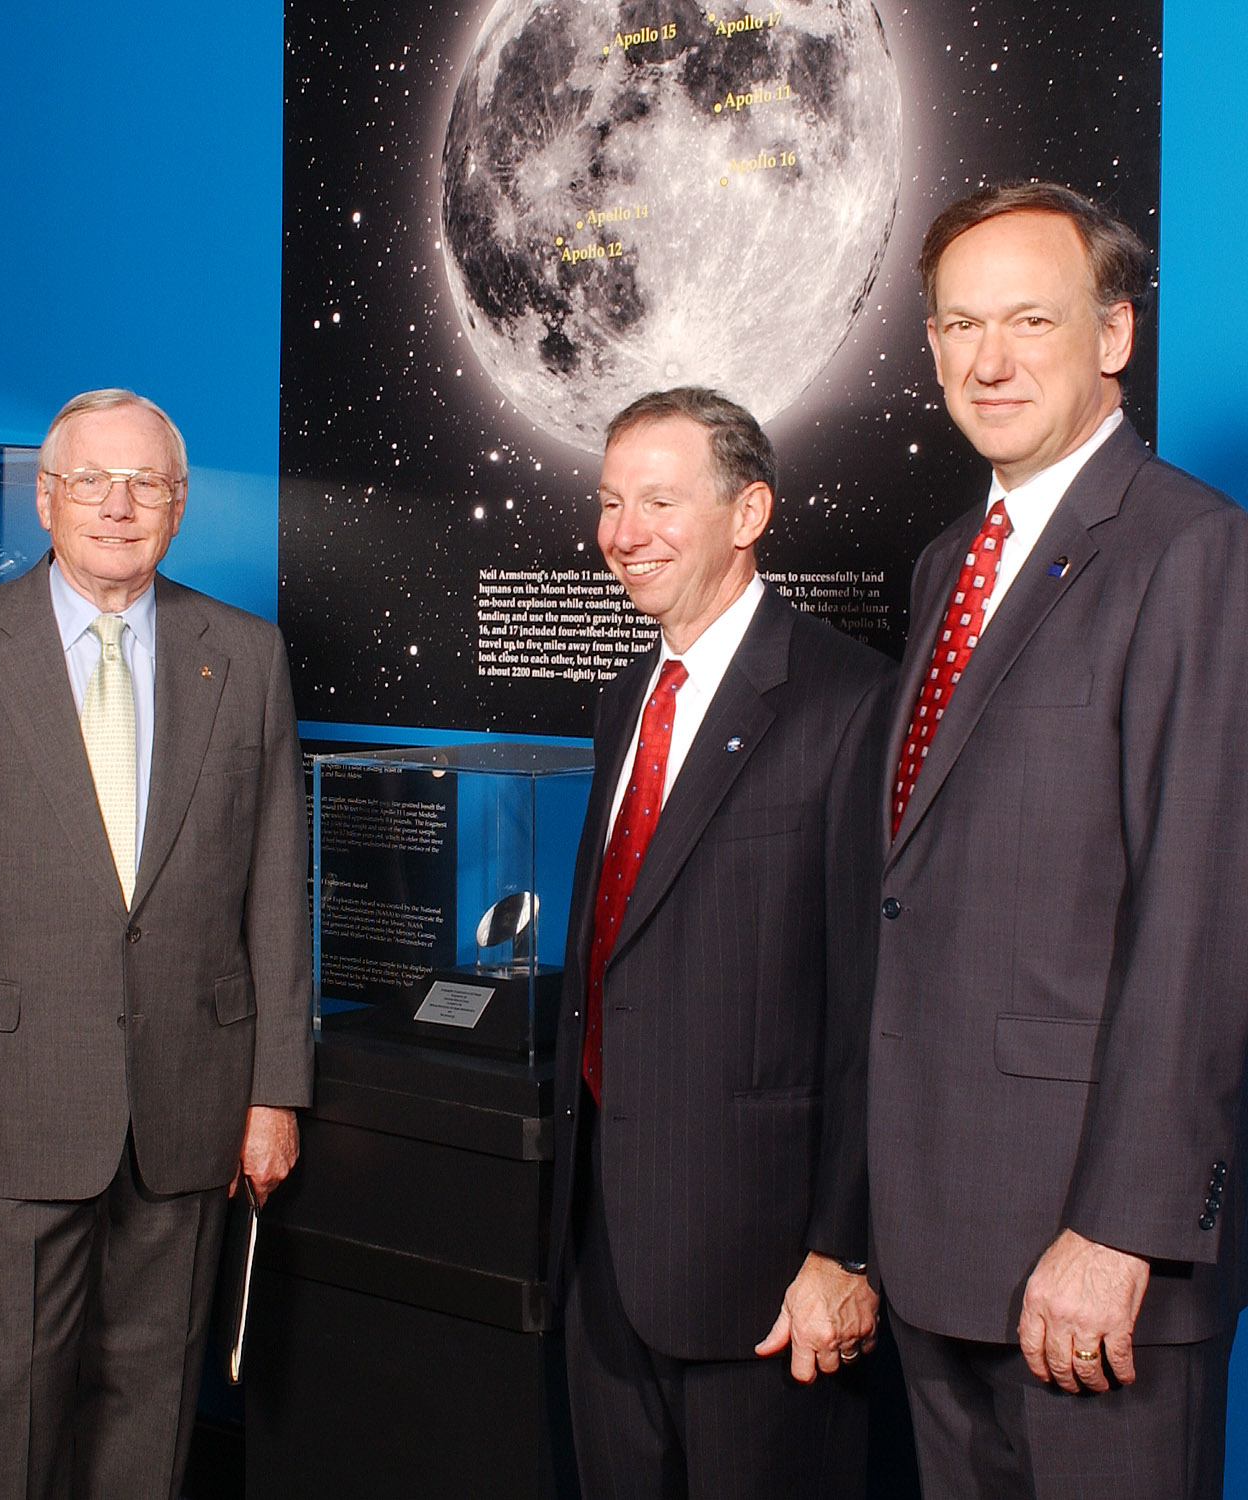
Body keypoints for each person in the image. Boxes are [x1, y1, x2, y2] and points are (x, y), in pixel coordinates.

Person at [868, 183, 1248, 1499]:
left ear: (1113, 334)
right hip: (940, 1236)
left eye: (1029, 319)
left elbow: (1205, 929)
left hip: (1092, 1252)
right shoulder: (952, 559)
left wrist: (1120, 1230)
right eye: (958, 325)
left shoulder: (1198, 554)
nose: (988, 360)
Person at [0, 388, 312, 1500]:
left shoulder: (245, 656)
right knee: (14, 1394)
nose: (120, 506)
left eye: (147, 483)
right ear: (48, 497)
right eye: (93, 483)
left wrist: (273, 1093)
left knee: (153, 1394)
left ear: (179, 503)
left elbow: (271, 886)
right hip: (10, 1107)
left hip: (192, 1102)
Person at [549, 388, 895, 1499]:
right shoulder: (624, 701)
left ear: (749, 512)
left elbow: (873, 1007)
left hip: (767, 1277)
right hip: (602, 1250)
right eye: (609, 503)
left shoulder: (848, 701)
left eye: (658, 500)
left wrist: (843, 1252)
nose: (622, 534)